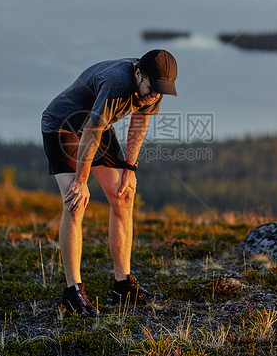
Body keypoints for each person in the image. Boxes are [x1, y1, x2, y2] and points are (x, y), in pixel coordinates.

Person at [41, 49, 178, 317]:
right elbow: (90, 133)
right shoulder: (116, 83)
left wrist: (130, 168)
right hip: (63, 126)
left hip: (96, 126)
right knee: (75, 203)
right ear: (138, 73)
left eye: (162, 90)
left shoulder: (154, 85)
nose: (155, 95)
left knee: (124, 195)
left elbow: (140, 121)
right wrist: (81, 181)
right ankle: (73, 293)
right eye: (153, 87)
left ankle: (123, 286)